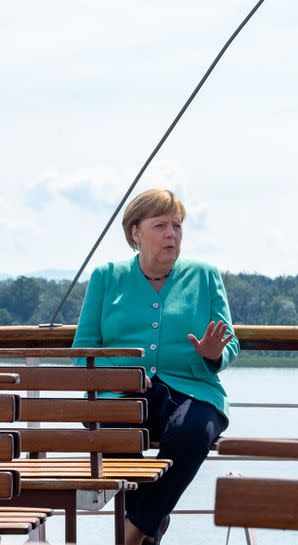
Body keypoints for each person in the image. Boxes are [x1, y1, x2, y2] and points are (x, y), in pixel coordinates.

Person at [73, 188, 239, 545]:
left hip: (193, 389)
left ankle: (131, 535)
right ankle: (149, 527)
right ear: (135, 232)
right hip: (120, 393)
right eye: (161, 225)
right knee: (115, 432)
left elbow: (232, 343)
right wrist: (124, 376)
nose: (171, 234)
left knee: (192, 433)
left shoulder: (205, 275)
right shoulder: (106, 277)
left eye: (177, 226)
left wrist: (213, 353)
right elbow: (82, 352)